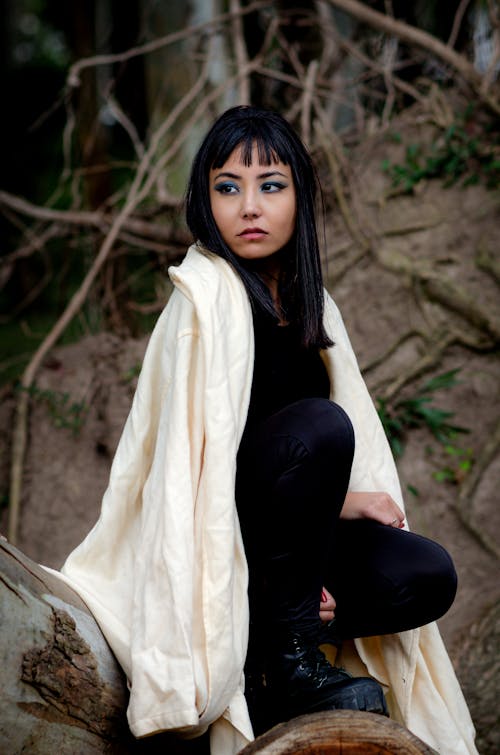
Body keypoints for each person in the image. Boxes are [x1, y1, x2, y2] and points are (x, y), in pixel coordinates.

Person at [54, 106, 477, 754]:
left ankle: (279, 644)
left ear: (299, 197)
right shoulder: (204, 303)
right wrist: (290, 594)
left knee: (425, 573)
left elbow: (291, 461)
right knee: (321, 425)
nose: (248, 205)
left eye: (270, 185)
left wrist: (338, 509)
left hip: (286, 551)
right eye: (228, 186)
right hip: (225, 546)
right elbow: (193, 474)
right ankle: (289, 660)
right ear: (205, 198)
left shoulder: (310, 303)